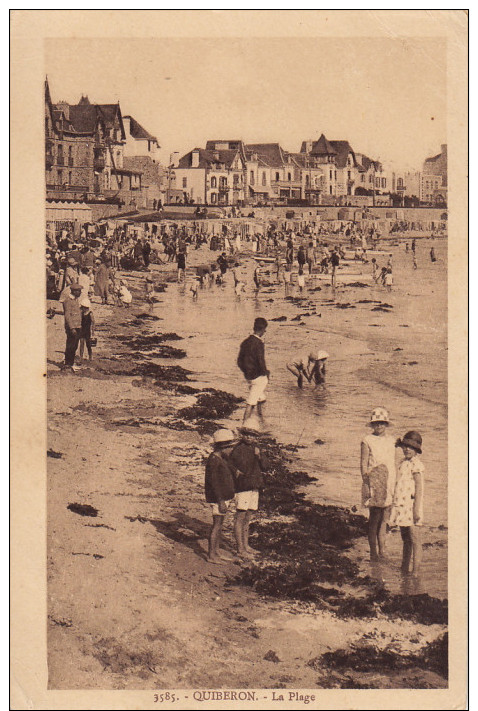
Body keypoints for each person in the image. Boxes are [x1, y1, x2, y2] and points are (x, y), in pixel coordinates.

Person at [360, 407, 397, 561]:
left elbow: (394, 461)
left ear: (386, 424)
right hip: (374, 482)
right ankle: (373, 551)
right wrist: (367, 483)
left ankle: (382, 550)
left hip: (389, 481)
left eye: (382, 423)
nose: (379, 426)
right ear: (372, 425)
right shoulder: (367, 440)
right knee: (374, 519)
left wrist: (396, 484)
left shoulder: (392, 440)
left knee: (384, 519)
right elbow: (363, 463)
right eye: (376, 424)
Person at [228, 430, 269, 558]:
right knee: (240, 517)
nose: (249, 437)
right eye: (247, 435)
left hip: (254, 486)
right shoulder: (238, 449)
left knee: (248, 517)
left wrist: (259, 456)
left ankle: (246, 546)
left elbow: (266, 466)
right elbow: (230, 466)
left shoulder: (256, 449)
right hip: (243, 487)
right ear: (242, 435)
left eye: (253, 435)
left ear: (256, 437)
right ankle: (240, 549)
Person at [390, 431, 424, 576]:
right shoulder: (403, 463)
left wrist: (416, 509)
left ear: (416, 450)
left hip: (412, 506)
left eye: (410, 447)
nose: (406, 449)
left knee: (415, 538)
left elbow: (419, 488)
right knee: (405, 538)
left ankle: (415, 571)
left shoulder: (417, 465)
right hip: (402, 506)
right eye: (405, 446)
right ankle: (404, 567)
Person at [204, 429, 237, 564]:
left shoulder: (219, 458)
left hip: (223, 497)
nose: (231, 451)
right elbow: (214, 483)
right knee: (216, 525)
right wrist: (221, 500)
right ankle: (211, 555)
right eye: (230, 448)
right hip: (219, 498)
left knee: (220, 525)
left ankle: (216, 552)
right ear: (222, 447)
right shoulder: (214, 461)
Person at [237, 317, 269, 425]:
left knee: (259, 396)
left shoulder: (245, 342)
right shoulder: (259, 343)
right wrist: (265, 373)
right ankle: (244, 424)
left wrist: (246, 372)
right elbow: (261, 361)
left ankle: (261, 419)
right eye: (265, 330)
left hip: (249, 376)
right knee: (251, 402)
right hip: (258, 376)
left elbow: (239, 361)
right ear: (263, 330)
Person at [61, 282, 84, 372]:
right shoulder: (68, 301)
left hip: (77, 326)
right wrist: (72, 328)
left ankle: (70, 363)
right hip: (72, 327)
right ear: (73, 291)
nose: (80, 293)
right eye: (78, 291)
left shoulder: (75, 300)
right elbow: (67, 315)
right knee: (70, 345)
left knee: (75, 346)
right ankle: (68, 363)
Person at [78, 298, 95, 362]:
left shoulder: (90, 313)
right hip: (82, 330)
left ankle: (90, 356)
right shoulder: (81, 313)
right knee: (81, 344)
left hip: (87, 330)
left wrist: (93, 331)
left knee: (88, 344)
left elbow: (93, 323)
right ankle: (81, 356)